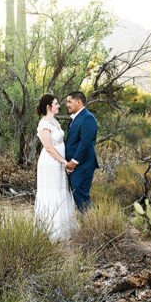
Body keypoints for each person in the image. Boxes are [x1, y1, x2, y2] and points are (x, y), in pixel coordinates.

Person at [33, 93, 77, 241]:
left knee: (61, 190)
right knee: (52, 192)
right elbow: (49, 148)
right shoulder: (43, 124)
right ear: (48, 107)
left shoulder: (54, 121)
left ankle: (64, 230)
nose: (59, 106)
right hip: (50, 163)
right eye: (56, 103)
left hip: (59, 161)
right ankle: (52, 232)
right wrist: (64, 162)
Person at [63, 91, 98, 211]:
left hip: (83, 164)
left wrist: (74, 161)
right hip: (76, 165)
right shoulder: (75, 118)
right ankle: (91, 220)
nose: (67, 104)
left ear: (79, 102)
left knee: (80, 193)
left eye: (69, 102)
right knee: (78, 193)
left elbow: (85, 142)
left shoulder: (88, 118)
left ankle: (94, 221)